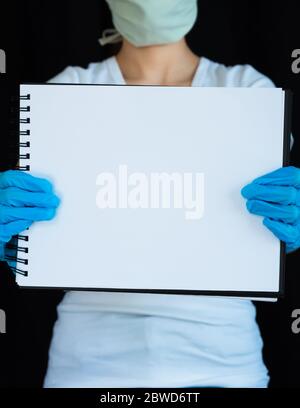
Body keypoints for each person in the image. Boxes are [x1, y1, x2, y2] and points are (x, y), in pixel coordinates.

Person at [1, 0, 299, 388]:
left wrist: (282, 229)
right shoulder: (67, 92)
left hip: (223, 365)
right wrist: (18, 240)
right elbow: (42, 238)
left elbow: (262, 233)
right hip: (87, 368)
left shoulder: (248, 91)